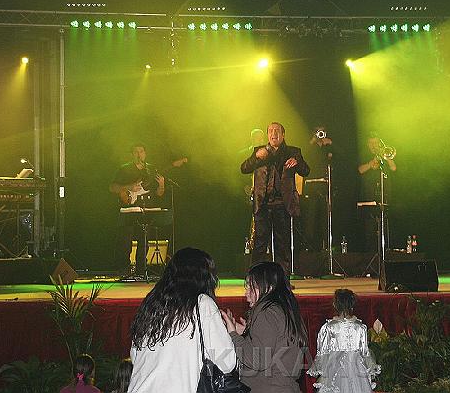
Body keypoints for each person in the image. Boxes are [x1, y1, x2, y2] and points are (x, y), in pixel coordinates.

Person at [128, 247, 236, 392]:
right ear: (205, 277)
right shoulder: (202, 304)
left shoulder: (151, 304)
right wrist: (230, 333)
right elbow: (227, 363)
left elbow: (135, 356)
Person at [221, 262, 307, 393]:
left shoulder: (265, 312)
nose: (246, 293)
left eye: (252, 287)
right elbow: (276, 342)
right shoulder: (286, 309)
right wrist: (245, 332)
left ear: (268, 288)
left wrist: (233, 334)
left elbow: (258, 360)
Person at [241, 123, 310, 275]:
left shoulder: (293, 152)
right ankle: (255, 279)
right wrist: (255, 157)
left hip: (283, 204)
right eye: (271, 131)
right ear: (268, 135)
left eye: (277, 131)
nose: (274, 134)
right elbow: (244, 168)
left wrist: (298, 162)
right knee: (259, 244)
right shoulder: (259, 151)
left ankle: (282, 279)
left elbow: (306, 171)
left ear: (283, 135)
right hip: (263, 204)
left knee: (282, 245)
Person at [308, 289, 380, 393]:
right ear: (352, 305)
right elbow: (365, 352)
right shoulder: (360, 327)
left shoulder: (329, 327)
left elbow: (323, 352)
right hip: (357, 369)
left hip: (334, 368)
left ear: (335, 305)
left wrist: (322, 370)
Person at [109, 143, 165, 274]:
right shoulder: (125, 169)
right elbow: (112, 187)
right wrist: (129, 187)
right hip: (129, 208)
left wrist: (161, 185)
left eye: (141, 151)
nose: (139, 154)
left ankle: (142, 270)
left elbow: (159, 193)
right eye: (136, 152)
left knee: (144, 240)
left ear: (145, 153)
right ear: (132, 154)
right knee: (125, 241)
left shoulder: (151, 170)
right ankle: (124, 269)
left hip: (145, 209)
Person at [358, 136, 397, 252]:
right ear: (367, 144)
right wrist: (371, 163)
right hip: (369, 197)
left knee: (385, 229)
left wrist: (385, 155)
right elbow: (360, 170)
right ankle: (370, 255)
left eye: (375, 143)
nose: (373, 145)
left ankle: (385, 253)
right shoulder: (364, 155)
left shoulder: (383, 154)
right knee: (369, 230)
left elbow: (393, 168)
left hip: (384, 197)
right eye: (371, 143)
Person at [301, 127, 334, 251]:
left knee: (325, 215)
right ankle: (309, 245)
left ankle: (326, 245)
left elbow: (340, 156)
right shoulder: (311, 147)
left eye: (322, 132)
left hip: (324, 184)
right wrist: (313, 141)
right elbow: (302, 156)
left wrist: (331, 144)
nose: (320, 134)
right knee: (311, 216)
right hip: (311, 185)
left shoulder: (327, 147)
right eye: (318, 132)